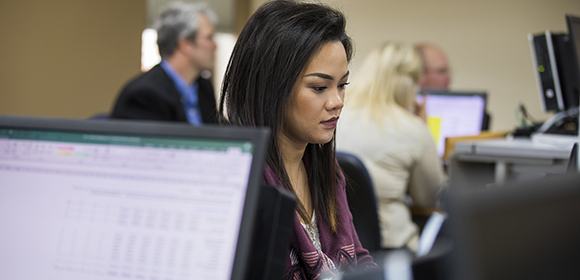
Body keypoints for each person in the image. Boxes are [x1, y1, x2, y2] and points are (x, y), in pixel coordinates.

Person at [218, 0, 376, 278]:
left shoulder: (327, 171)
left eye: (342, 85)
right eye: (319, 87)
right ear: (271, 86)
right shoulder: (237, 184)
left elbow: (358, 259)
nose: (337, 101)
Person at [336, 42, 446, 252]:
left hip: (340, 244)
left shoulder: (335, 117)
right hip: (392, 248)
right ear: (409, 84)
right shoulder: (413, 129)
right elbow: (429, 198)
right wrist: (423, 126)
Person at [110, 1, 218, 125]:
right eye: (209, 37)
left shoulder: (203, 88)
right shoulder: (144, 95)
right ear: (185, 44)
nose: (215, 45)